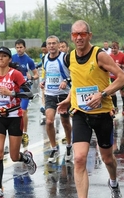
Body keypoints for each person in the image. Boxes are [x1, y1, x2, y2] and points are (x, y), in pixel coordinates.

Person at [57, 20, 124, 198]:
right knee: (79, 158)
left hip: (103, 114)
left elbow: (123, 78)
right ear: (71, 37)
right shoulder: (69, 57)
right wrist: (69, 99)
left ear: (90, 35)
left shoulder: (100, 55)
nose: (78, 37)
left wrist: (102, 94)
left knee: (107, 159)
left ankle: (113, 183)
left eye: (82, 34)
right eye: (75, 34)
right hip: (81, 114)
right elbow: (77, 83)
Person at [0, 46, 37, 198]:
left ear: (9, 59)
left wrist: (12, 93)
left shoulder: (14, 74)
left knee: (15, 157)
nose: (0, 58)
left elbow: (29, 94)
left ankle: (26, 158)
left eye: (4, 56)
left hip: (15, 117)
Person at [40, 35, 73, 163]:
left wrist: (66, 80)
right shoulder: (45, 59)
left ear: (58, 45)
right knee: (49, 121)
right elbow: (47, 73)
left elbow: (74, 73)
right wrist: (43, 82)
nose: (51, 46)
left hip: (64, 95)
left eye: (54, 43)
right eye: (49, 44)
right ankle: (54, 148)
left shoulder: (65, 57)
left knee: (65, 122)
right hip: (50, 94)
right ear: (47, 46)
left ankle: (69, 145)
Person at [11, 39, 39, 146]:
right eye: (17, 47)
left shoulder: (29, 60)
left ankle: (25, 133)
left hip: (25, 90)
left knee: (23, 111)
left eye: (21, 47)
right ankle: (14, 132)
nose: (19, 49)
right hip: (14, 90)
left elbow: (36, 75)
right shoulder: (12, 58)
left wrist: (31, 77)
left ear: (24, 48)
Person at [109, 41, 124, 115]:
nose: (113, 50)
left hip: (121, 77)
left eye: (115, 48)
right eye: (112, 48)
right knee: (112, 93)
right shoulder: (109, 56)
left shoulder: (122, 55)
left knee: (122, 93)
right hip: (112, 76)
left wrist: (120, 65)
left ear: (118, 48)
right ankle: (115, 107)